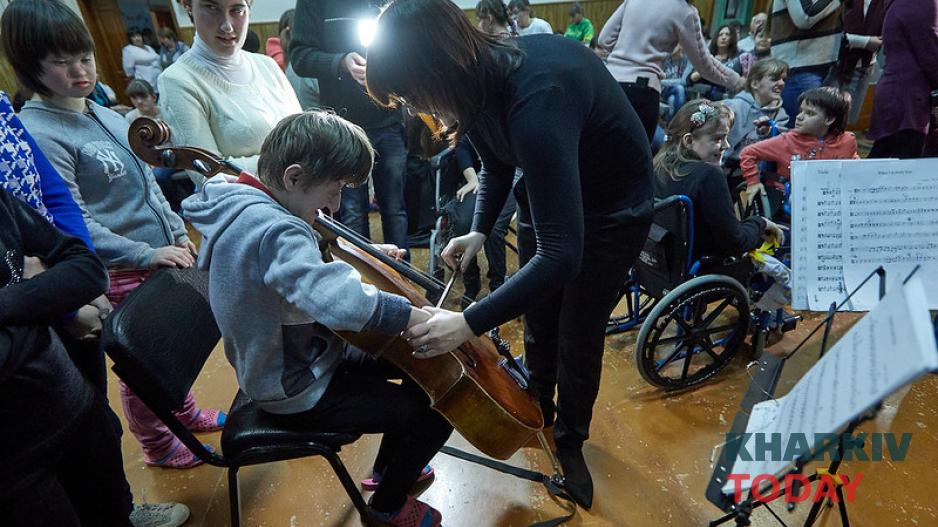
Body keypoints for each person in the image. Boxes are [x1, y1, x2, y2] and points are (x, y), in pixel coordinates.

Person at [366, 0, 654, 509]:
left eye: (412, 92)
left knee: (578, 332)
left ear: (437, 67)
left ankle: (570, 442)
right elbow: (497, 163)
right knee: (542, 315)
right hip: (554, 194)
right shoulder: (476, 79)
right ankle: (538, 403)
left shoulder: (538, 95)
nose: (415, 106)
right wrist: (479, 231)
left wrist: (469, 322)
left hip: (613, 215)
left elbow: (564, 255)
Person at [183, 111, 452, 527]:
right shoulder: (274, 230)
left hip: (289, 358)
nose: (335, 204)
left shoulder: (239, 200)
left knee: (421, 368)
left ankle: (390, 471)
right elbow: (333, 299)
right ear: (293, 177)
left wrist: (365, 254)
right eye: (335, 189)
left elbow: (296, 276)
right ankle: (386, 508)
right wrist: (408, 313)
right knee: (438, 410)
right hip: (292, 384)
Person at [8, 0, 225, 470]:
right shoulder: (39, 131)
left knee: (173, 349)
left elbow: (150, 183)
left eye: (83, 57)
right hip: (119, 269)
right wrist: (148, 251)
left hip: (159, 255)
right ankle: (158, 446)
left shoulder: (107, 115)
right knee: (143, 366)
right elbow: (74, 222)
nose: (80, 70)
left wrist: (176, 232)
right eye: (61, 62)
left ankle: (185, 416)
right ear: (31, 66)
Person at [0, 90, 190, 527]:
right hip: (18, 454)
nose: (80, 70)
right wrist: (51, 300)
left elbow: (84, 267)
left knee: (103, 458)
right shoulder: (44, 126)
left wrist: (22, 299)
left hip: (72, 406)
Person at [290, 0, 410, 254]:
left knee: (395, 208)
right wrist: (340, 62)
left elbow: (409, 43)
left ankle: (402, 283)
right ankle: (361, 282)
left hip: (388, 120)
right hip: (343, 127)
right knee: (352, 211)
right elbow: (300, 57)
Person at [158, 0, 301, 185]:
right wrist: (295, 161)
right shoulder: (177, 80)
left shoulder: (267, 65)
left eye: (237, 10)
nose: (227, 25)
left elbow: (305, 133)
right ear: (188, 7)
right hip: (252, 209)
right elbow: (208, 176)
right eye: (211, 8)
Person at [598, 0, 744, 141]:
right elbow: (704, 65)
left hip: (609, 84)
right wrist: (736, 80)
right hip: (642, 90)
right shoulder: (684, 11)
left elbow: (604, 40)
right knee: (633, 159)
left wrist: (626, 55)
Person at [655, 100, 784, 258]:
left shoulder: (658, 166)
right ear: (688, 141)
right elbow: (736, 243)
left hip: (661, 270)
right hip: (701, 271)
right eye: (718, 139)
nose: (727, 145)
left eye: (726, 137)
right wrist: (760, 223)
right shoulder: (708, 175)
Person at [740, 87, 858, 204]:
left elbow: (855, 168)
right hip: (788, 199)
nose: (799, 117)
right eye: (801, 111)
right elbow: (748, 153)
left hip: (829, 199)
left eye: (809, 113)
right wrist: (753, 183)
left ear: (829, 119)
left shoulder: (848, 141)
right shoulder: (787, 141)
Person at [868, 0, 938, 159]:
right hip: (910, 98)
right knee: (904, 171)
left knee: (882, 167)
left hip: (897, 94)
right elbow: (930, 52)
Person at [770, 0, 844, 122]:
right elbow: (804, 17)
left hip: (826, 65)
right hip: (801, 67)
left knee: (817, 132)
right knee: (796, 131)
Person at [723, 58, 789, 171]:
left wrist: (769, 132)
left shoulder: (781, 114)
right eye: (774, 79)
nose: (781, 83)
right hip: (726, 168)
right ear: (754, 84)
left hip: (756, 172)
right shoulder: (732, 107)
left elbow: (779, 149)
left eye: (783, 79)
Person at [686, 23, 742, 101]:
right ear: (716, 38)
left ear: (732, 38)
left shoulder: (738, 58)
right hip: (705, 97)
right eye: (720, 35)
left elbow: (737, 81)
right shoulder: (707, 56)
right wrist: (708, 67)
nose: (723, 37)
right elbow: (689, 80)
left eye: (727, 34)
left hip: (728, 98)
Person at [122, 27, 163, 92]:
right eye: (133, 37)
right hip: (147, 83)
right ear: (130, 39)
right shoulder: (128, 50)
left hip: (159, 80)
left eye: (138, 36)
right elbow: (129, 72)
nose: (137, 38)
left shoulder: (148, 47)